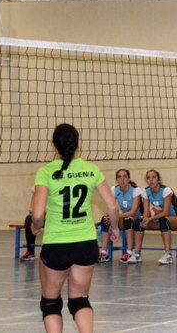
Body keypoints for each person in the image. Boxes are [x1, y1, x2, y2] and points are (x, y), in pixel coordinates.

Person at [30, 123, 119, 333]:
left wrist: (35, 227)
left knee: (50, 302)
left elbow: (37, 214)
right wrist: (114, 228)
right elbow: (113, 207)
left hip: (57, 244)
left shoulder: (46, 172)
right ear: (77, 144)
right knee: (80, 300)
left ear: (54, 145)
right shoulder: (91, 169)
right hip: (86, 244)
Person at [129, 169, 177, 265]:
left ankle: (168, 255)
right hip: (159, 219)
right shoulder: (145, 191)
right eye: (148, 178)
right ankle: (137, 254)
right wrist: (145, 219)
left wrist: (150, 218)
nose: (151, 180)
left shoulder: (166, 190)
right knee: (139, 222)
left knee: (164, 220)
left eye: (153, 177)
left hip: (176, 218)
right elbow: (146, 212)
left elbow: (165, 212)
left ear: (158, 179)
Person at [97, 168, 142, 263]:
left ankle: (129, 252)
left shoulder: (136, 190)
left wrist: (115, 217)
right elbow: (111, 207)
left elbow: (133, 212)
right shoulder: (114, 189)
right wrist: (109, 217)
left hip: (137, 217)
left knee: (127, 221)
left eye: (125, 176)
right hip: (124, 216)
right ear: (116, 179)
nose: (122, 179)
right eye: (119, 177)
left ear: (128, 179)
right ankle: (104, 252)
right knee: (105, 220)